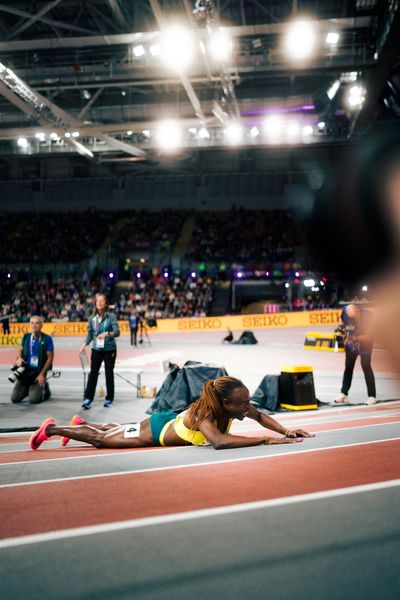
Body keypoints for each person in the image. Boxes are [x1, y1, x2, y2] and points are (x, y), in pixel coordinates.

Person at [29, 375, 314, 450]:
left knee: (113, 431)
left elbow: (261, 416)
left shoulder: (234, 405)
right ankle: (51, 429)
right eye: (243, 404)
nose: (248, 408)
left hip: (170, 421)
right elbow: (219, 442)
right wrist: (265, 441)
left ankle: (83, 423)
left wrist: (285, 431)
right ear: (227, 405)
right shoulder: (206, 416)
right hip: (155, 432)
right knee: (102, 441)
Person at [80, 293, 120, 409]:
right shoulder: (92, 319)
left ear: (106, 303)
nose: (99, 303)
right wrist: (84, 344)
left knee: (109, 374)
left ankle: (109, 398)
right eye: (98, 301)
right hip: (96, 349)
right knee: (93, 374)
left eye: (102, 301)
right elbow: (90, 334)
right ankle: (88, 398)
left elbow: (117, 332)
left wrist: (107, 334)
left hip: (110, 349)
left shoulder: (111, 317)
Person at [335, 304, 376, 405]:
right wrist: (342, 329)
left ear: (358, 312)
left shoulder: (369, 318)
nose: (349, 318)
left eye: (352, 317)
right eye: (348, 316)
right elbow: (341, 321)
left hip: (365, 341)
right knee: (348, 366)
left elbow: (368, 337)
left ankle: (372, 396)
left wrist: (353, 338)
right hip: (352, 339)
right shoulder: (345, 312)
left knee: (365, 365)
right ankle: (344, 393)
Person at [11, 315, 54, 404]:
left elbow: (50, 358)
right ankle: (29, 389)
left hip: (38, 373)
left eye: (37, 323)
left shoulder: (47, 339)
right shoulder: (26, 337)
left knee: (34, 400)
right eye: (32, 323)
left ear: (41, 325)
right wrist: (18, 358)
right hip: (25, 372)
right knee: (14, 398)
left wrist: (42, 374)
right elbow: (20, 350)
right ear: (29, 325)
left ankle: (44, 387)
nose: (34, 325)